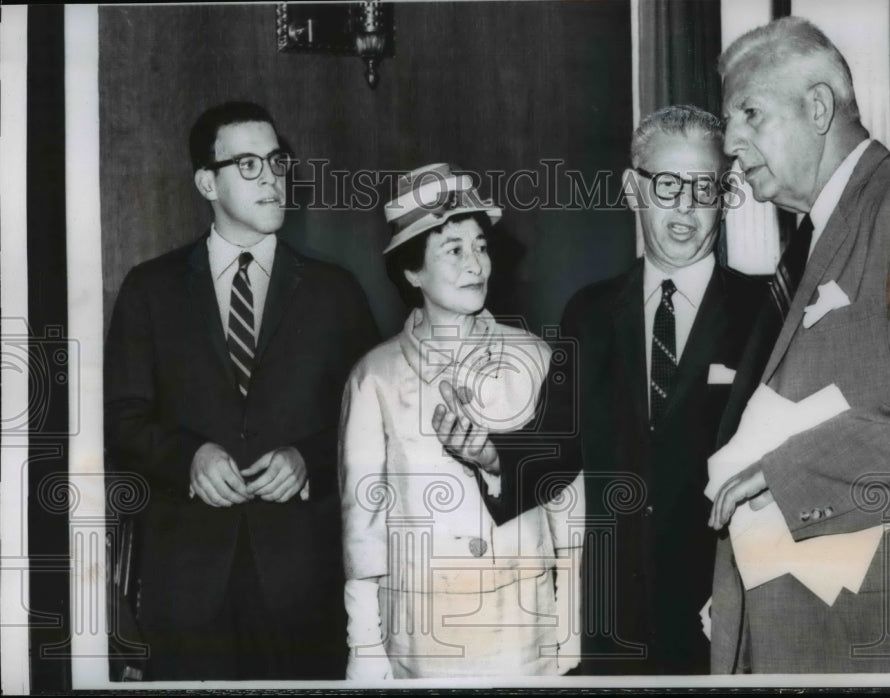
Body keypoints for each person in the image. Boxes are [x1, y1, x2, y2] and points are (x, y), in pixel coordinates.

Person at [435, 106, 767, 674]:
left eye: (704, 186)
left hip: (731, 609)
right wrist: (491, 454)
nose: (685, 204)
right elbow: (558, 447)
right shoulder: (589, 314)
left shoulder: (766, 314)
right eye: (666, 184)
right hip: (618, 619)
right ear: (632, 189)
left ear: (726, 193)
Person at [708, 17, 890, 673]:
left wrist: (786, 475)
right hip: (810, 630)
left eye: (750, 114)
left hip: (878, 640)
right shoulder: (814, 240)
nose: (732, 145)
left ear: (819, 106)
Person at [104, 101, 379, 680]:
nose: (273, 178)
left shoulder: (336, 292)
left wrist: (307, 461)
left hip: (305, 583)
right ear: (208, 181)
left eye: (277, 161)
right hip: (187, 582)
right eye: (248, 165)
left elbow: (371, 426)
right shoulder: (150, 289)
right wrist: (188, 457)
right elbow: (121, 418)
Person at [338, 163, 583, 679]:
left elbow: (568, 505)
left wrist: (571, 632)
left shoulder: (537, 358)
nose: (476, 264)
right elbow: (364, 528)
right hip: (425, 637)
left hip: (524, 629)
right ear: (412, 272)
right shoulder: (373, 378)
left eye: (481, 246)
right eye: (453, 249)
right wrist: (365, 648)